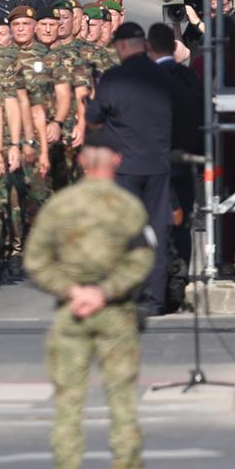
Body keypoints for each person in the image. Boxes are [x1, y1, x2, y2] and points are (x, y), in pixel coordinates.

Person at [23, 127, 153, 469]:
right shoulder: (128, 207)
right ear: (117, 160)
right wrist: (105, 292)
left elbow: (35, 261)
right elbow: (143, 258)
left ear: (81, 160)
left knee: (68, 401)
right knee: (122, 398)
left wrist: (73, 292)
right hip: (114, 312)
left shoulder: (60, 206)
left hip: (71, 311)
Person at [92, 21, 175, 316]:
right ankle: (157, 300)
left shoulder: (114, 78)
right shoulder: (163, 74)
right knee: (158, 230)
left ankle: (132, 294)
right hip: (159, 164)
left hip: (126, 166)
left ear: (123, 46)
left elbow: (95, 116)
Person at [147, 22, 204, 278]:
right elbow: (202, 116)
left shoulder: (148, 78)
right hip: (187, 157)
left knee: (157, 221)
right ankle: (180, 274)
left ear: (149, 48)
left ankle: (161, 279)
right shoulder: (190, 76)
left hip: (156, 160)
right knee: (184, 223)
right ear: (174, 47)